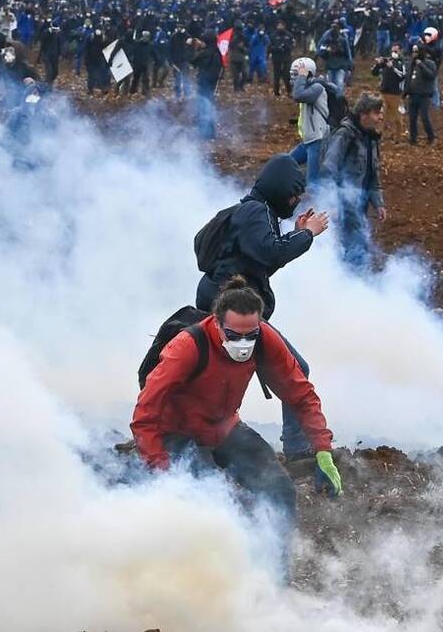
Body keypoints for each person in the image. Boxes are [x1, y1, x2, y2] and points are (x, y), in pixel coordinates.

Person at [132, 276, 342, 564]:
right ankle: (204, 581)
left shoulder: (266, 340)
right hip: (177, 431)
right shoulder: (188, 347)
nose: (243, 344)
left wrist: (322, 450)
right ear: (217, 324)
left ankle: (273, 575)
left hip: (225, 427)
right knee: (208, 501)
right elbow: (146, 412)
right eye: (234, 335)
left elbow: (300, 394)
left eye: (251, 335)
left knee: (278, 491)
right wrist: (160, 466)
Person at [195, 154, 329, 459]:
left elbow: (260, 263)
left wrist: (295, 232)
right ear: (281, 190)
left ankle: (206, 441)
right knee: (295, 368)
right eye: (294, 195)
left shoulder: (254, 212)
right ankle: (296, 448)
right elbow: (271, 255)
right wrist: (308, 233)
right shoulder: (256, 212)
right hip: (234, 313)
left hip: (228, 307)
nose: (295, 201)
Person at [321, 92, 387, 270]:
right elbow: (329, 168)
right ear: (363, 114)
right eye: (376, 113)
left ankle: (351, 277)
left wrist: (378, 203)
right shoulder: (345, 134)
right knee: (356, 242)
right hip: (345, 202)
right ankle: (354, 280)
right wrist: (332, 202)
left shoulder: (371, 138)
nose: (380, 117)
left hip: (361, 202)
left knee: (358, 241)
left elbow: (373, 173)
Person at [289, 57, 337, 183]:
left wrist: (301, 78)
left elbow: (298, 96)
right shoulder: (309, 86)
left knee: (313, 181)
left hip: (317, 140)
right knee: (287, 164)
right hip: (308, 141)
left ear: (308, 73)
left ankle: (318, 201)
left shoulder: (317, 88)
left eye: (297, 74)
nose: (294, 78)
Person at [191, 32, 223, 140]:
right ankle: (210, 133)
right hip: (211, 85)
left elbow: (192, 61)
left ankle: (204, 133)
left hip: (204, 84)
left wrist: (192, 48)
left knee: (203, 108)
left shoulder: (205, 53)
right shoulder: (217, 53)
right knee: (209, 107)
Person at [404, 44, 437, 145]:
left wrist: (421, 65)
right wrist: (405, 92)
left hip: (424, 95)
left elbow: (431, 76)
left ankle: (431, 136)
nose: (414, 54)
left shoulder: (430, 63)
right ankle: (413, 138)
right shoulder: (411, 64)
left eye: (416, 52)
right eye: (413, 52)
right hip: (413, 94)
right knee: (412, 118)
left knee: (424, 117)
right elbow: (408, 78)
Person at [371, 43, 406, 137]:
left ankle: (398, 136)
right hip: (383, 91)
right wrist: (378, 64)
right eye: (392, 51)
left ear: (400, 51)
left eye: (395, 51)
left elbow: (402, 76)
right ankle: (380, 135)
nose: (393, 53)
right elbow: (374, 73)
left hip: (395, 93)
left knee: (397, 116)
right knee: (382, 114)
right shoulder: (386, 61)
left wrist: (393, 68)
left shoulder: (401, 62)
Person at [316, 21, 352, 91]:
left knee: (339, 84)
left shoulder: (343, 40)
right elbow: (321, 52)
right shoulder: (327, 40)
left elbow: (347, 53)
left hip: (340, 65)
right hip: (330, 65)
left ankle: (339, 100)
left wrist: (350, 65)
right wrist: (327, 50)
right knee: (331, 85)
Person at [270, 20, 294, 97]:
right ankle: (276, 91)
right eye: (279, 25)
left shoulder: (289, 35)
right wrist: (277, 48)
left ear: (284, 26)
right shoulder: (273, 35)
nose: (280, 27)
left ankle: (289, 91)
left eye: (281, 25)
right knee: (276, 75)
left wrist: (287, 47)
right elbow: (270, 46)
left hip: (286, 57)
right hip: (276, 58)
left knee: (287, 75)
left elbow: (292, 45)